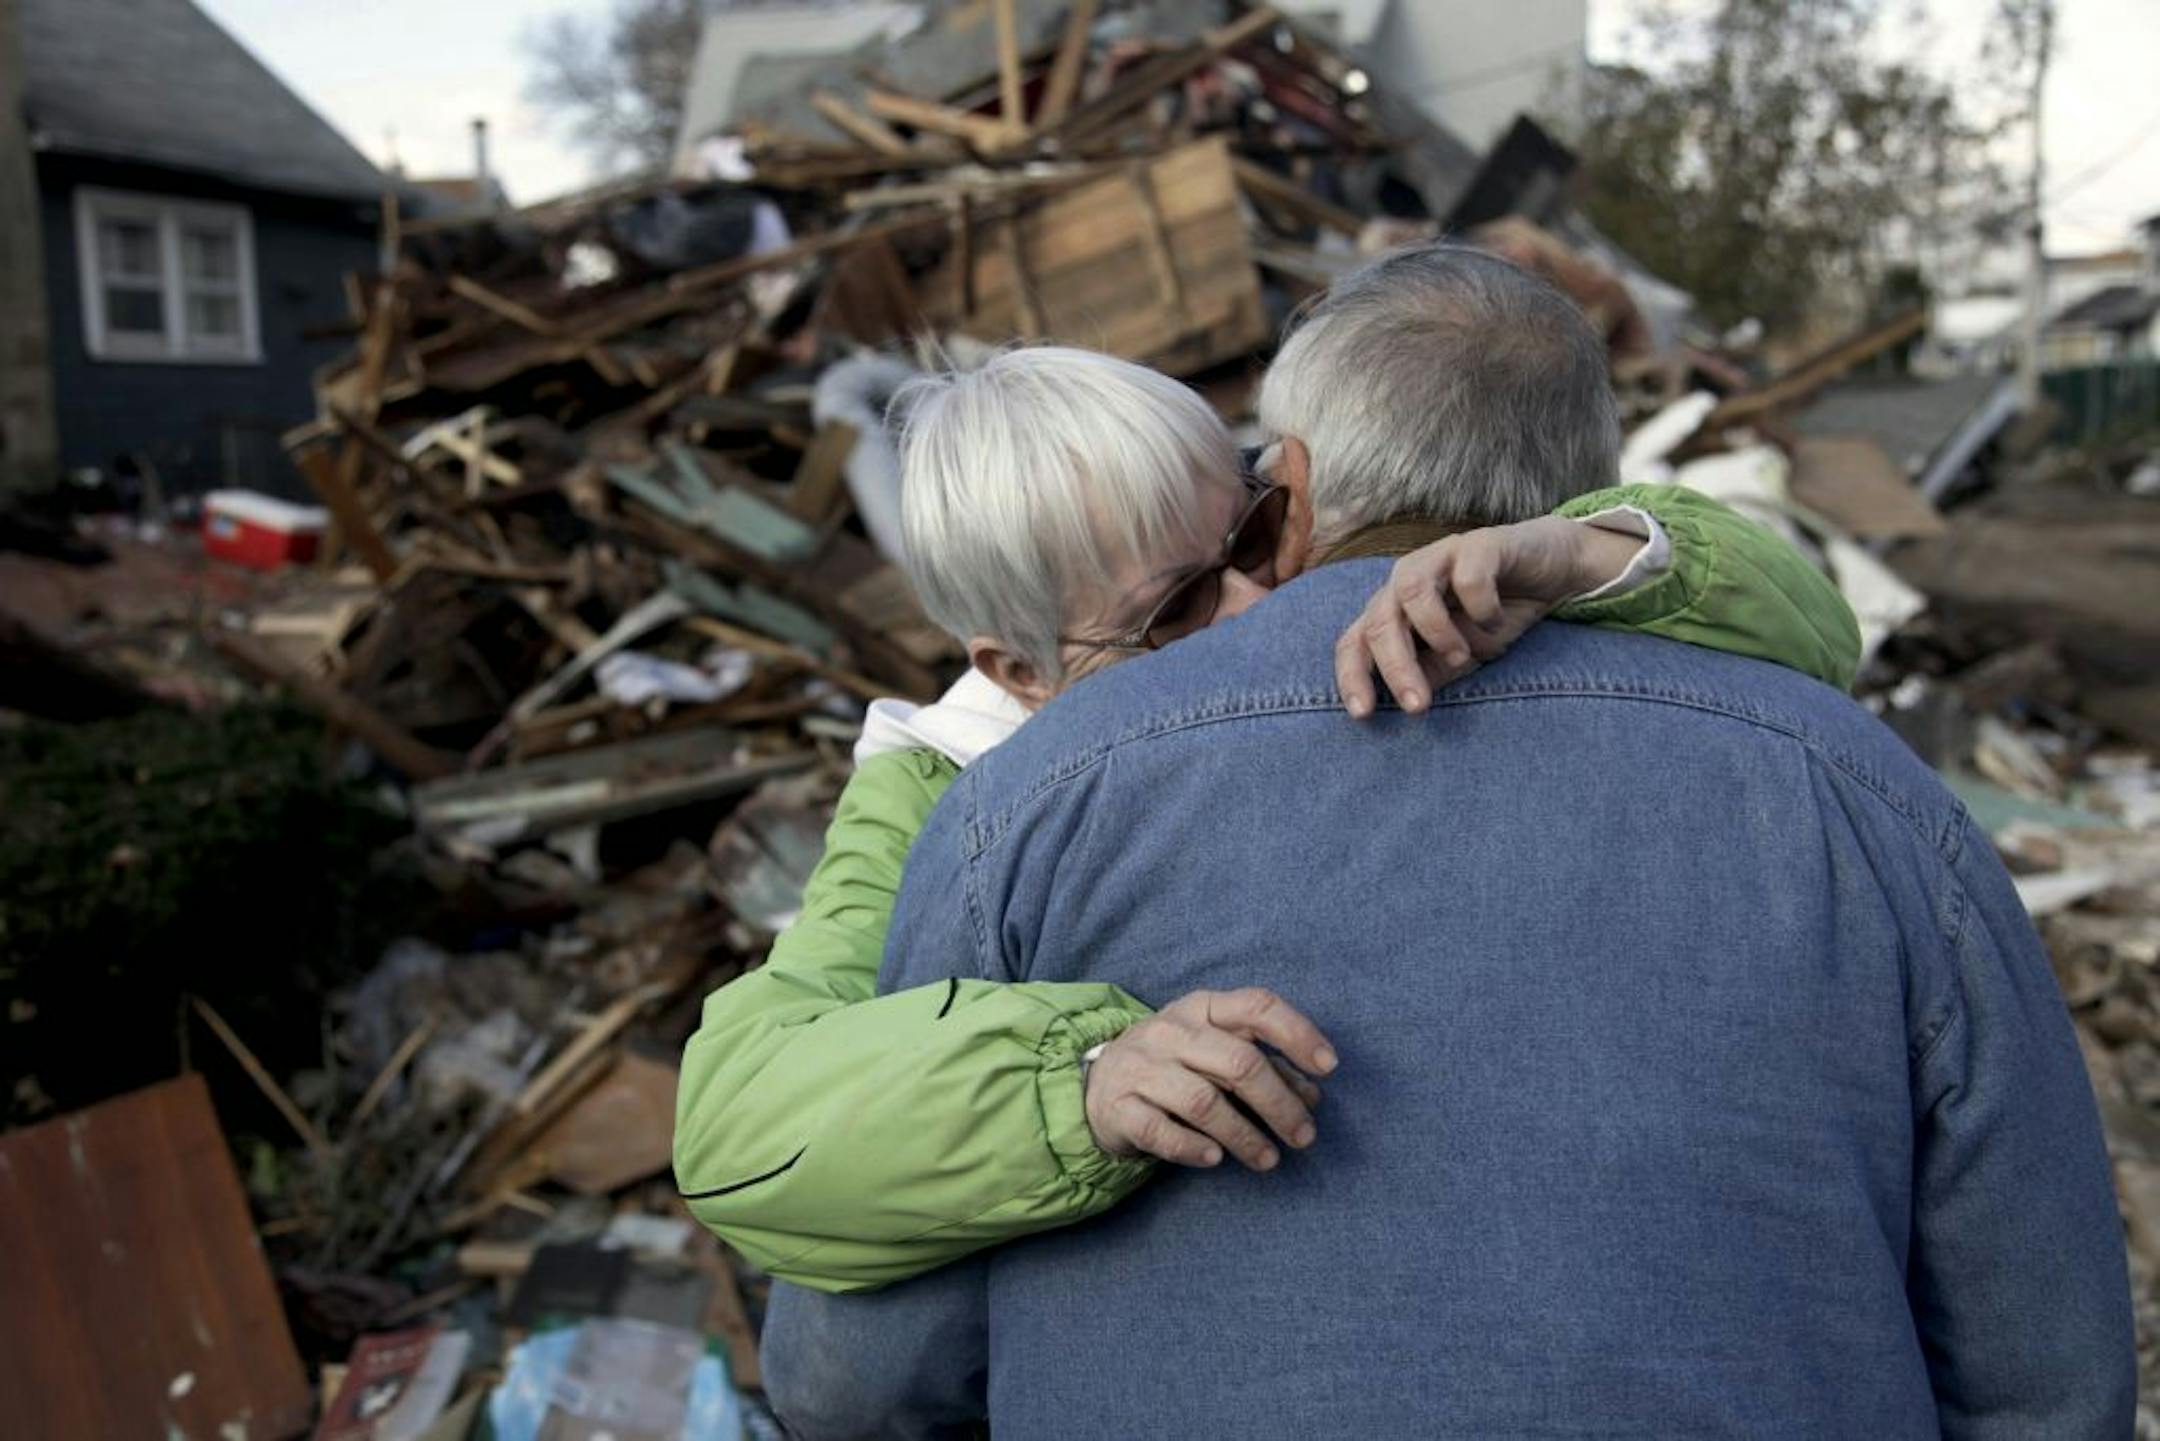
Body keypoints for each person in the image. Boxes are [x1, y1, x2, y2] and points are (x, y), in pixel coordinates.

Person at [843, 244, 2133, 1437]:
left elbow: (855, 1376)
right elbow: (2045, 1363)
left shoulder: (1016, 809)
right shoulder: (1867, 792)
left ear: (1283, 486)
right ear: (1586, 486)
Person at [675, 347, 1858, 1294]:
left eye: (1250, 535)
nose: (1254, 602)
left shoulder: (1385, 597)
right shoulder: (935, 785)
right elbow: (739, 1125)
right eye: (1180, 604)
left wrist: (1586, 554)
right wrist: (1080, 1082)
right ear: (1021, 671)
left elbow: (1817, 639)